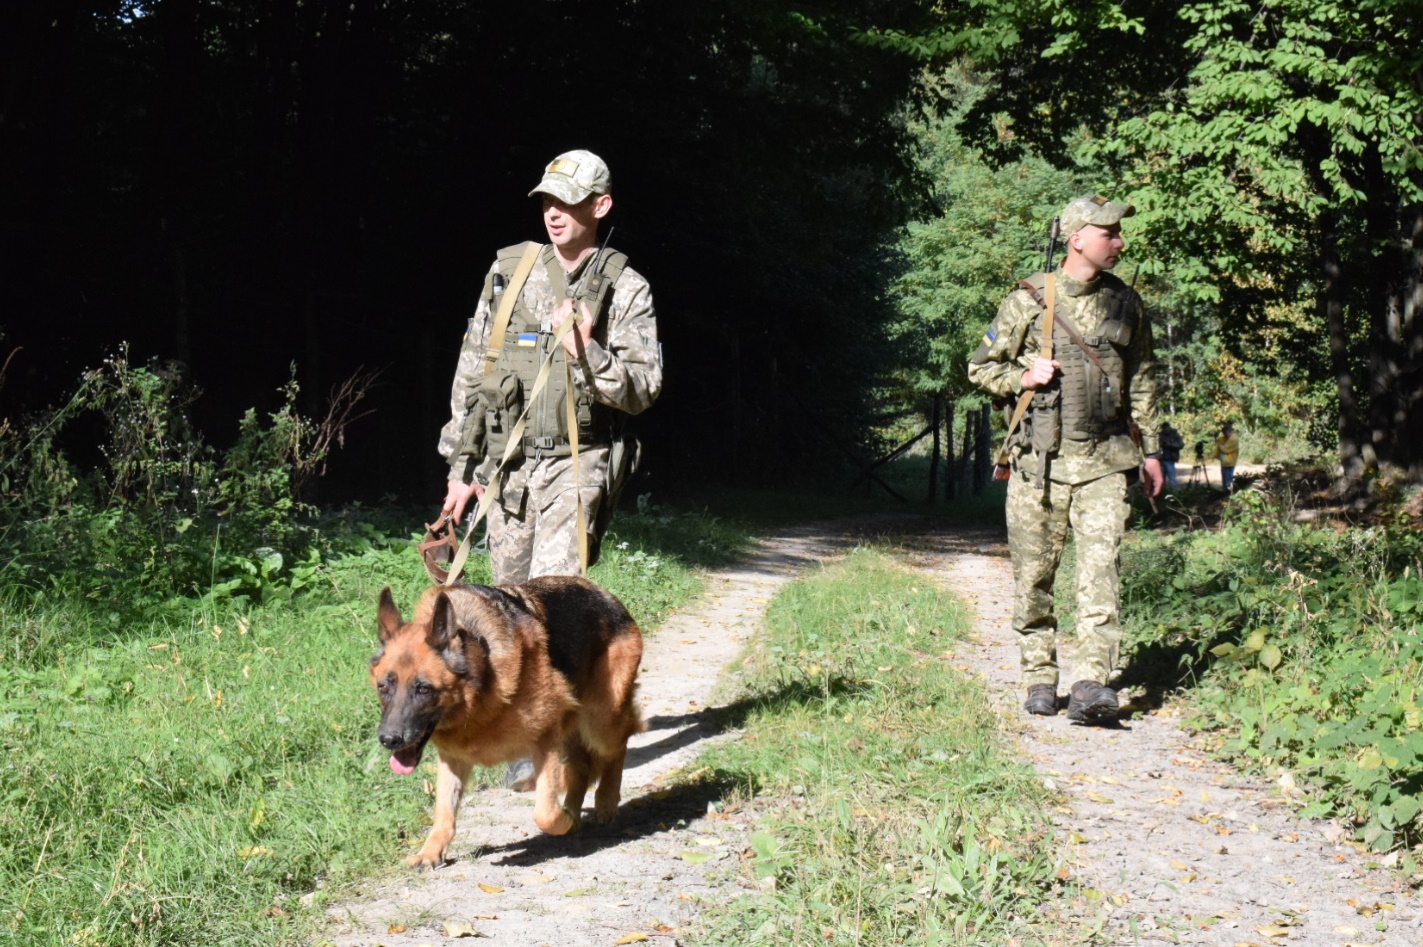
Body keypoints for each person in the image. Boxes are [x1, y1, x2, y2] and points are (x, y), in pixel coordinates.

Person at [968, 194, 1163, 725]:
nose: (1119, 241)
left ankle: (1091, 683)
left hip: (1104, 460)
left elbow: (1143, 378)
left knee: (1101, 574)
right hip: (1038, 463)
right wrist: (1023, 378)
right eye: (1110, 232)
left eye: (1120, 232)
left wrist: (1151, 452)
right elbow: (979, 369)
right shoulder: (1027, 299)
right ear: (1077, 237)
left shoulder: (1126, 303)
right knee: (1034, 577)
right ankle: (1038, 675)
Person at [437, 149, 662, 586]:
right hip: (509, 470)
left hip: (576, 469)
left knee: (554, 603)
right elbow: (473, 375)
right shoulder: (508, 273)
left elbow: (642, 390)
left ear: (601, 205)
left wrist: (586, 351)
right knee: (510, 609)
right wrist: (462, 469)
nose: (554, 214)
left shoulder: (628, 289)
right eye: (546, 202)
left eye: (568, 202)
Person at [1159, 421, 1185, 489]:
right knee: (1160, 480)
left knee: (1172, 480)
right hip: (1161, 459)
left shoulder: (1175, 434)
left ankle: (1174, 494)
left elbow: (1181, 445)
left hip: (1170, 459)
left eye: (1166, 428)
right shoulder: (1161, 435)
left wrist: (1170, 445)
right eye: (1164, 428)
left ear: (1169, 427)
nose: (1165, 430)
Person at [1215, 422, 1239, 492]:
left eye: (1225, 433)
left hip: (1229, 462)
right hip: (1225, 462)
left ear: (1228, 431)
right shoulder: (1229, 438)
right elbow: (1222, 440)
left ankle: (1230, 493)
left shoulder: (1233, 439)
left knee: (1228, 479)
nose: (1224, 435)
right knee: (1225, 478)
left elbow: (1225, 449)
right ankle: (1225, 491)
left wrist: (1219, 445)